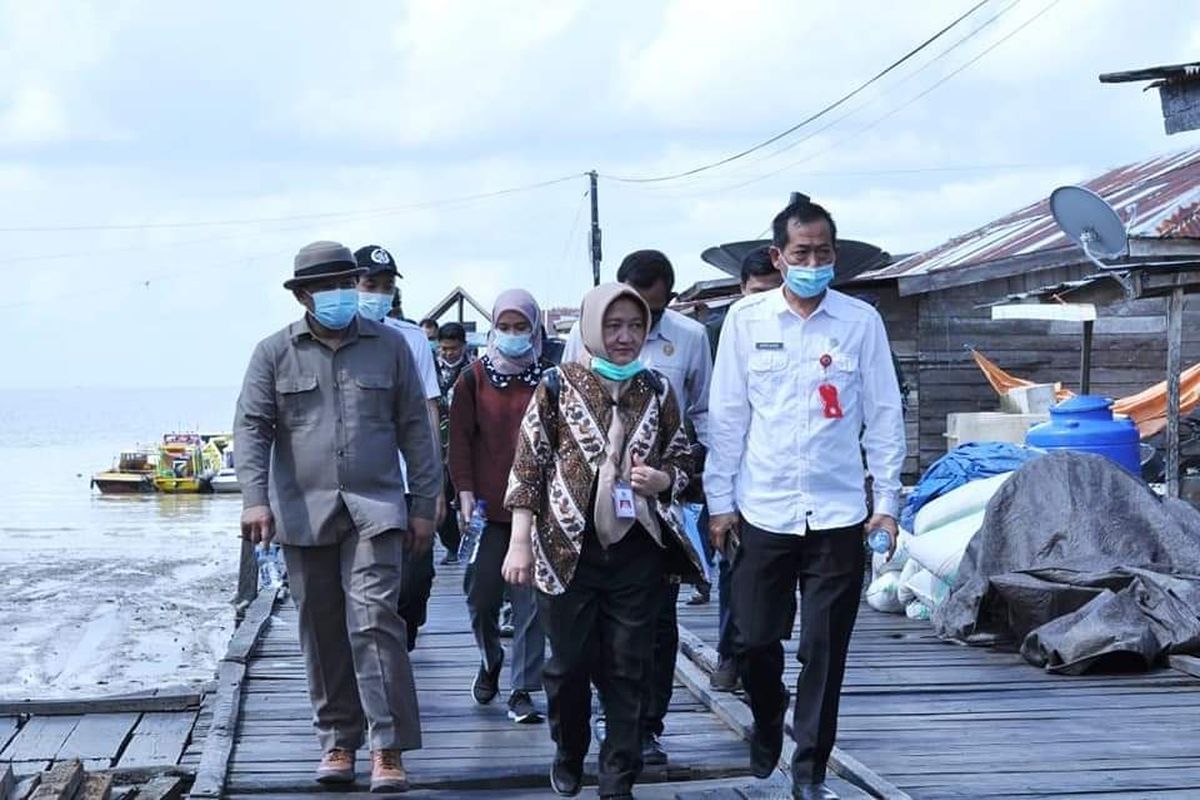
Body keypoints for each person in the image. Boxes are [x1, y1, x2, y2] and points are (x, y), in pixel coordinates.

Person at [705, 201, 905, 800]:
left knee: (824, 646)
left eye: (822, 254)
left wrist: (887, 501)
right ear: (778, 256)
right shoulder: (745, 321)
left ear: (834, 255)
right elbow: (728, 418)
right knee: (755, 638)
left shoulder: (861, 322)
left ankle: (811, 767)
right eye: (801, 254)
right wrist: (720, 503)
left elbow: (885, 415)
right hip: (762, 509)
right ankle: (770, 715)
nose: (813, 263)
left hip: (840, 512)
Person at [234, 241, 442, 793]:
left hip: (376, 508)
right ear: (304, 295)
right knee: (321, 631)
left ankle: (388, 748)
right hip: (304, 511)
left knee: (375, 620)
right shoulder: (273, 353)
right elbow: (252, 429)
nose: (343, 295)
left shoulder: (391, 347)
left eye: (349, 283)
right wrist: (255, 499)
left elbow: (416, 431)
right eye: (330, 287)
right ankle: (338, 743)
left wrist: (426, 503)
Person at [502, 283, 702, 800]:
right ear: (592, 328)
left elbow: (683, 458)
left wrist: (662, 480)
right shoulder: (556, 384)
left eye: (635, 327)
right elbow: (529, 464)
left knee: (627, 665)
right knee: (567, 665)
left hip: (637, 549)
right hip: (567, 550)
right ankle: (569, 750)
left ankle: (618, 776)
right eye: (613, 326)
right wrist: (519, 542)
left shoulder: (657, 389)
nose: (624, 338)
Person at [564, 249, 712, 766]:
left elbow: (701, 417)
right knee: (588, 639)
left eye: (647, 316)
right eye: (621, 321)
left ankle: (644, 726)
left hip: (656, 514)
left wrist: (683, 479)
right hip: (585, 521)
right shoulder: (573, 356)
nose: (631, 335)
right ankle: (594, 721)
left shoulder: (690, 340)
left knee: (655, 626)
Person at [449, 289, 551, 725]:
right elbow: (459, 443)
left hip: (539, 512)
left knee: (532, 603)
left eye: (521, 327)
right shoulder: (472, 379)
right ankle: (491, 659)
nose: (512, 336)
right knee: (481, 595)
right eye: (504, 328)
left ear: (535, 329)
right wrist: (464, 493)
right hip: (487, 511)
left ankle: (522, 687)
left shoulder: (551, 379)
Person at [354, 244, 445, 649]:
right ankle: (376, 659)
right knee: (364, 581)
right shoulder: (337, 340)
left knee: (415, 579)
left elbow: (429, 413)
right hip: (360, 481)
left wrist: (435, 485)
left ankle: (403, 638)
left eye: (386, 286)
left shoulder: (412, 340)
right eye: (369, 284)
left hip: (408, 481)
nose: (378, 293)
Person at [708, 245, 784, 693]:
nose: (764, 300)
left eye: (773, 290)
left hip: (779, 476)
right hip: (731, 467)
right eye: (756, 291)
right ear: (741, 290)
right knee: (732, 567)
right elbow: (717, 411)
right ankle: (730, 653)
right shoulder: (722, 331)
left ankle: (760, 657)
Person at [434, 322, 472, 563]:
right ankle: (451, 544)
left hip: (466, 444)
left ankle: (473, 547)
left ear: (463, 346)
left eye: (453, 349)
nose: (448, 353)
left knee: (468, 497)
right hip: (438, 446)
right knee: (441, 496)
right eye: (444, 349)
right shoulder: (430, 369)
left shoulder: (474, 370)